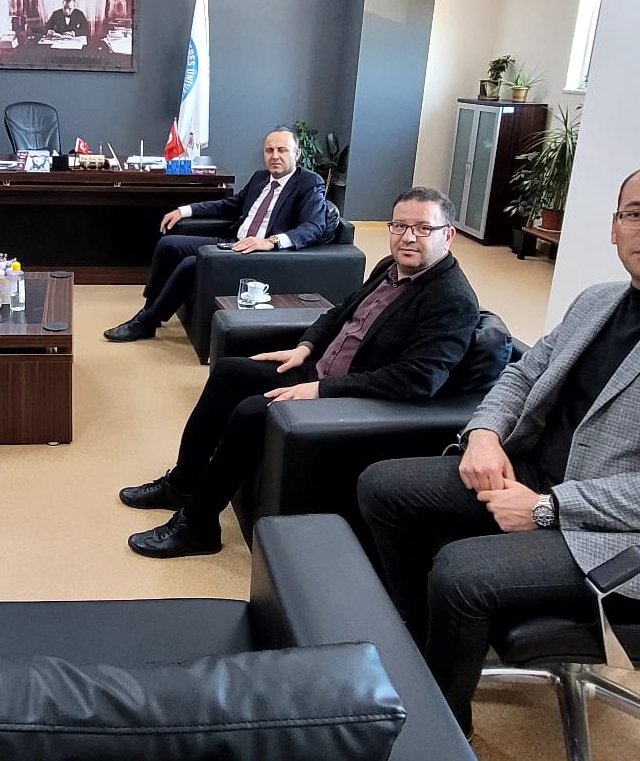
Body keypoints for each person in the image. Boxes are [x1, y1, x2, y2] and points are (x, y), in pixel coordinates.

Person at [355, 162, 640, 731]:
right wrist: (484, 435)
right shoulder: (597, 301)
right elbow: (520, 375)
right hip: (537, 472)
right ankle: (419, 643)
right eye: (635, 214)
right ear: (614, 227)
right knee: (383, 485)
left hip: (631, 534)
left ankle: (442, 729)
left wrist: (547, 508)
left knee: (461, 572)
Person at [121, 186, 486, 558]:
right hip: (320, 370)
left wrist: (322, 390)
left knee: (253, 410)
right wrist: (305, 347)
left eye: (423, 228)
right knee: (230, 372)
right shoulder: (389, 268)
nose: (408, 237)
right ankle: (182, 483)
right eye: (399, 226)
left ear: (448, 235)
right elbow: (339, 312)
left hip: (351, 398)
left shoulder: (451, 299)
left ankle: (198, 525)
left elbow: (418, 379)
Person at [104, 127, 330, 343]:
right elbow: (229, 205)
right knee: (168, 244)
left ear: (296, 154)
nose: (275, 156)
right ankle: (149, 308)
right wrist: (185, 210)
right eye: (269, 150)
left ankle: (147, 323)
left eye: (282, 150)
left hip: (259, 254)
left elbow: (314, 226)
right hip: (232, 244)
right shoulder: (260, 178)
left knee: (192, 263)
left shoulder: (309, 182)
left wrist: (271, 242)